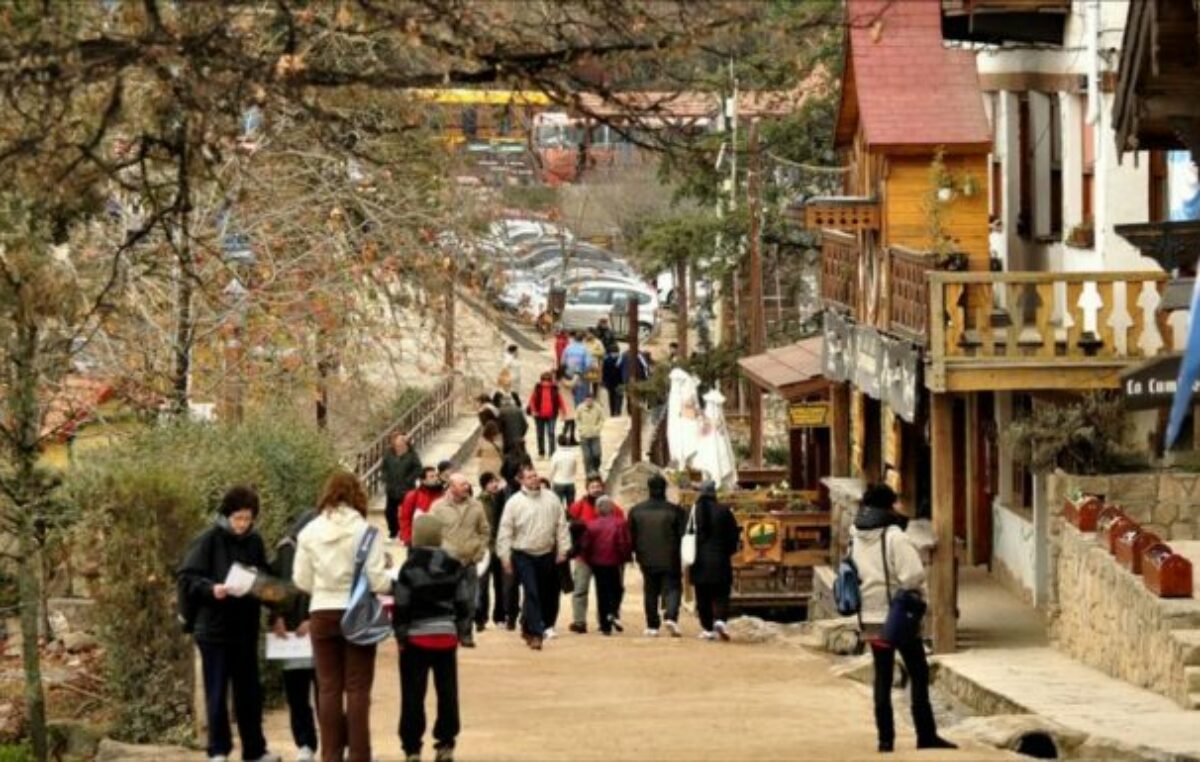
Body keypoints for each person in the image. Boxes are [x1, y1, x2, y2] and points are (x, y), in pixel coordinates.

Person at [850, 484, 957, 754]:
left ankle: (885, 740)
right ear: (889, 505)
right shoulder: (894, 535)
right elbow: (912, 575)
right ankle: (926, 734)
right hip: (898, 616)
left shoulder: (856, 535)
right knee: (918, 672)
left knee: (882, 676)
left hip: (870, 617)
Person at [177, 486, 280, 762]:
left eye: (248, 519)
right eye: (238, 518)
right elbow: (187, 578)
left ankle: (255, 749)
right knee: (217, 691)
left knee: (249, 692)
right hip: (214, 629)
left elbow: (267, 579)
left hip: (245, 627)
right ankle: (219, 749)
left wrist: (261, 583)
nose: (242, 525)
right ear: (227, 515)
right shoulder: (208, 540)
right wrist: (213, 589)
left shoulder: (254, 542)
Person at [293, 472, 390, 762]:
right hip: (357, 612)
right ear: (357, 496)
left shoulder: (309, 531)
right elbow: (378, 581)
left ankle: (331, 754)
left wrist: (322, 590)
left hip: (322, 610)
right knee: (358, 687)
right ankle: (360, 754)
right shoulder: (366, 532)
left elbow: (301, 580)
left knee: (328, 687)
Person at [393, 514, 472, 762]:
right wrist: (461, 630)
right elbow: (463, 601)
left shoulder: (409, 567)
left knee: (413, 694)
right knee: (447, 692)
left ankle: (412, 748)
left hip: (416, 638)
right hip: (445, 637)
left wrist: (401, 634)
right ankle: (445, 744)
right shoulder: (453, 564)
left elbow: (402, 605)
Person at [495, 464, 571, 650]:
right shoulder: (514, 503)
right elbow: (505, 531)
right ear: (520, 480)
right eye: (529, 477)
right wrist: (504, 556)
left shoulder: (551, 498)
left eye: (535, 475)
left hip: (546, 553)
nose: (534, 479)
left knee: (545, 594)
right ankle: (537, 634)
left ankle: (528, 626)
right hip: (523, 554)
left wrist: (563, 549)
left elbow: (561, 525)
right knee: (532, 591)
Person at [271, 509, 321, 762]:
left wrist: (313, 619)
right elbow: (275, 587)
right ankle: (305, 744)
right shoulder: (285, 549)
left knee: (327, 692)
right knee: (296, 691)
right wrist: (276, 618)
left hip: (320, 629)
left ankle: (336, 742)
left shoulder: (325, 548)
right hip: (290, 636)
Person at [429, 473, 490, 648]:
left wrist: (479, 553)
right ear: (452, 487)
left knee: (470, 600)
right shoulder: (438, 507)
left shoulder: (476, 506)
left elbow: (484, 531)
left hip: (469, 561)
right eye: (462, 484)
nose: (467, 487)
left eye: (466, 484)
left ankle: (466, 634)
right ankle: (449, 633)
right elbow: (430, 533)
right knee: (447, 600)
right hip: (446, 563)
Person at [628, 474, 686, 638]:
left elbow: (630, 536)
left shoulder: (636, 510)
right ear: (665, 488)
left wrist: (632, 554)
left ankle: (652, 625)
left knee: (650, 590)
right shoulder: (676, 511)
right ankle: (671, 616)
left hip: (645, 557)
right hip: (670, 556)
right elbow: (683, 535)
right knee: (673, 587)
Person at [566, 476, 625, 634]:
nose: (596, 489)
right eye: (593, 486)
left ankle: (604, 620)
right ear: (587, 488)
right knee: (580, 589)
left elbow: (620, 526)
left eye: (598, 486)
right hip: (584, 556)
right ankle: (579, 621)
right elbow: (569, 526)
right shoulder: (577, 507)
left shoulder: (614, 508)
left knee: (605, 590)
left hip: (604, 556)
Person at [690, 481, 739, 642]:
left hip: (699, 561)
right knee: (721, 594)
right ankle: (720, 620)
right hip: (721, 560)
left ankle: (707, 628)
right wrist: (728, 552)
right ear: (714, 493)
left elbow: (687, 534)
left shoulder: (694, 511)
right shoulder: (725, 511)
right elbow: (734, 537)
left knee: (702, 596)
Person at [579, 496, 631, 636]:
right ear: (612, 508)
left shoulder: (591, 525)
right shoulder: (620, 523)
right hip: (615, 561)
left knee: (601, 592)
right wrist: (626, 557)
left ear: (597, 509)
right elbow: (623, 543)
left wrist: (588, 559)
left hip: (597, 562)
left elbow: (585, 545)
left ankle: (605, 625)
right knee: (617, 589)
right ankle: (613, 611)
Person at [476, 472, 511, 631]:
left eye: (496, 481)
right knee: (482, 586)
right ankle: (481, 618)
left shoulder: (504, 499)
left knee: (501, 585)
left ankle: (500, 617)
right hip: (485, 549)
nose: (494, 484)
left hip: (500, 547)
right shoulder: (478, 502)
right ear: (484, 484)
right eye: (491, 482)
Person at [383, 432, 423, 541]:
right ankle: (393, 532)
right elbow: (384, 467)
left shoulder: (411, 455)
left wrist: (409, 479)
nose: (398, 445)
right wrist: (386, 479)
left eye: (401, 442)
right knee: (389, 512)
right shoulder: (389, 454)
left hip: (407, 489)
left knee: (407, 512)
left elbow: (418, 469)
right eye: (396, 443)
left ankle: (407, 533)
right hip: (392, 488)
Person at [400, 466, 447, 547]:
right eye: (432, 476)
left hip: (439, 541)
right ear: (423, 480)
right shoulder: (413, 496)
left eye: (436, 476)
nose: (436, 479)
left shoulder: (444, 496)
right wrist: (408, 538)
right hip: (417, 541)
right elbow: (405, 518)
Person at [527, 370, 564, 458]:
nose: (546, 382)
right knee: (540, 434)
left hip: (552, 415)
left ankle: (552, 453)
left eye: (547, 380)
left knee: (551, 433)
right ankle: (541, 453)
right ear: (541, 380)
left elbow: (560, 401)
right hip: (539, 415)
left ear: (550, 380)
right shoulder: (538, 388)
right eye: (544, 380)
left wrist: (563, 412)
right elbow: (532, 400)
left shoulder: (555, 388)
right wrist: (534, 411)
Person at [576, 392, 605, 474]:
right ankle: (588, 472)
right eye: (587, 400)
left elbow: (602, 419)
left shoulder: (598, 408)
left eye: (590, 400)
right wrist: (580, 428)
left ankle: (596, 469)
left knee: (597, 454)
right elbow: (577, 419)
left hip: (595, 435)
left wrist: (598, 428)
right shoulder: (580, 408)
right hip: (584, 436)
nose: (589, 402)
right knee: (587, 456)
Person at [560, 332, 593, 406]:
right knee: (581, 395)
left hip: (569, 374)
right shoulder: (586, 349)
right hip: (580, 374)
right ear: (583, 339)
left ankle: (572, 411)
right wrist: (585, 372)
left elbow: (563, 362)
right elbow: (588, 364)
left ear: (574, 339)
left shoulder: (568, 347)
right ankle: (578, 411)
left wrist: (563, 374)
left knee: (571, 394)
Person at [548, 434, 579, 507]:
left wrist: (550, 480)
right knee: (571, 506)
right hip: (570, 481)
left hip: (558, 482)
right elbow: (574, 469)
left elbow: (552, 470)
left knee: (558, 506)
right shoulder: (573, 455)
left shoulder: (556, 455)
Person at [556, 367, 579, 445]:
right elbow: (571, 384)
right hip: (566, 403)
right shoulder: (562, 379)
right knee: (569, 421)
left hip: (567, 402)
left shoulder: (560, 379)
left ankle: (571, 437)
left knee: (571, 421)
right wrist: (576, 376)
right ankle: (565, 437)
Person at [602, 347, 623, 417]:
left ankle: (613, 411)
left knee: (612, 397)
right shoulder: (620, 359)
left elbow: (604, 372)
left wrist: (604, 382)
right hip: (619, 382)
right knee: (618, 397)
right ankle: (617, 411)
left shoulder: (607, 360)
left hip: (611, 382)